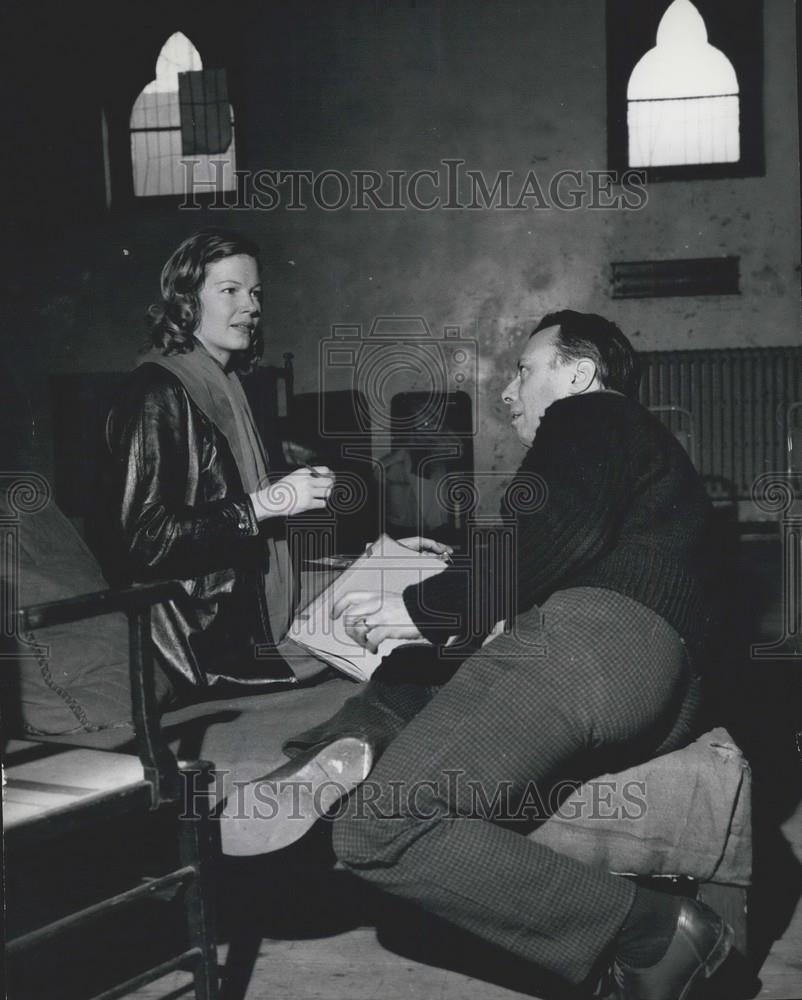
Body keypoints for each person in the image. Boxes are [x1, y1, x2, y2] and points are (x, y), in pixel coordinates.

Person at [266, 311, 731, 999]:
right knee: (428, 668)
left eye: (525, 369)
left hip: (594, 645)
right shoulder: (645, 450)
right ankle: (346, 739)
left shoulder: (591, 416)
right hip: (657, 681)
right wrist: (454, 572)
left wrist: (425, 604)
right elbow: (566, 546)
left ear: (577, 372)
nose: (510, 392)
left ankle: (652, 930)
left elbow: (548, 537)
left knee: (376, 830)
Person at [108, 229, 338, 694]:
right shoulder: (158, 389)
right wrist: (264, 506)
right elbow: (146, 540)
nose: (251, 307)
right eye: (229, 291)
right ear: (186, 301)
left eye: (254, 293)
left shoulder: (224, 381)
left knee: (394, 591)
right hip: (202, 644)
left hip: (244, 613)